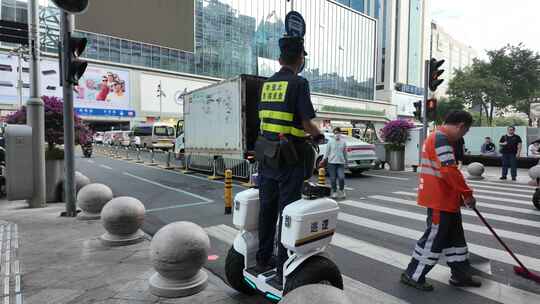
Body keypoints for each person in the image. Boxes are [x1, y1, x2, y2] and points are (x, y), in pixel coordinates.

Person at [254, 35, 323, 287]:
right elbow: (306, 122)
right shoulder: (299, 83)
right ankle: (283, 269)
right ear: (301, 59)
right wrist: (318, 135)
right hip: (289, 158)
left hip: (266, 155)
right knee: (287, 212)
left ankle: (262, 258)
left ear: (279, 59)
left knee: (267, 209)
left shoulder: (267, 85)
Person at [401, 110, 481, 291]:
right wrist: (467, 194)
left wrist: (459, 195)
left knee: (456, 239)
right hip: (439, 200)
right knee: (433, 239)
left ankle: (461, 274)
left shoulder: (441, 138)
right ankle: (412, 275)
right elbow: (449, 170)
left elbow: (447, 171)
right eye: (465, 131)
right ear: (461, 126)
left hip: (447, 199)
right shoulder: (441, 139)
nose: (463, 135)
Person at [320, 127, 347, 199]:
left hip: (340, 163)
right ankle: (334, 192)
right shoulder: (330, 142)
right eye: (335, 133)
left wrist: (346, 162)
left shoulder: (343, 142)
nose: (337, 134)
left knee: (341, 178)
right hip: (331, 163)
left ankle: (342, 190)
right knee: (333, 178)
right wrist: (323, 160)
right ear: (333, 134)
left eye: (338, 133)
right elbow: (327, 152)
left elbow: (345, 153)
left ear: (340, 133)